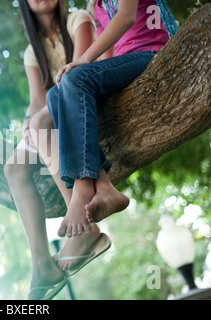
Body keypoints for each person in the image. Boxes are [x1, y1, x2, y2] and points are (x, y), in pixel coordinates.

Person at [44, 0, 175, 273]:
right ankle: (103, 186)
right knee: (57, 93)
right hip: (124, 65)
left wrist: (83, 61)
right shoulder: (96, 5)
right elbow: (110, 53)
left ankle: (81, 188)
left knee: (74, 77)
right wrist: (86, 81)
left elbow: (126, 17)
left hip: (152, 54)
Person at [4, 0, 97, 299]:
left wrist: (38, 120)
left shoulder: (78, 19)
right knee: (13, 167)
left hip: (82, 101)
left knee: (41, 124)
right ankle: (42, 264)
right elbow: (36, 99)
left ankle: (84, 228)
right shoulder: (32, 52)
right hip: (49, 113)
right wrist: (27, 121)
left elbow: (83, 69)